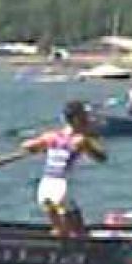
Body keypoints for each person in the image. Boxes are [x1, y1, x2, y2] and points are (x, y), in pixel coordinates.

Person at [21, 101, 108, 237]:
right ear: (77, 119)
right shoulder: (80, 140)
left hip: (44, 187)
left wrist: (40, 146)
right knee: (78, 231)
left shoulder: (51, 137)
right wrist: (92, 140)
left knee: (59, 231)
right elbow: (102, 158)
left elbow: (26, 146)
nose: (88, 119)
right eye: (85, 116)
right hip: (61, 188)